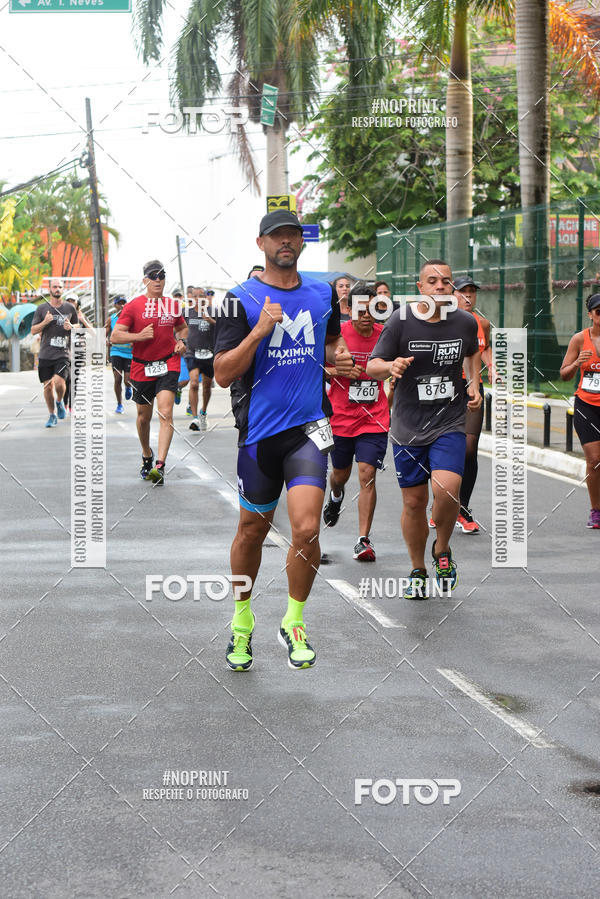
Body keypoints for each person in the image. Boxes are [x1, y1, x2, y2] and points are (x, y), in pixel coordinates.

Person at [214, 210, 353, 671]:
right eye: (278, 236)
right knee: (251, 531)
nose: (286, 242)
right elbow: (221, 373)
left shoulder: (321, 293)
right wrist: (258, 332)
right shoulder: (240, 300)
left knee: (308, 529)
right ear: (261, 244)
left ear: (302, 243)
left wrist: (340, 355)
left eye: (293, 235)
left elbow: (330, 345)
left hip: (309, 428)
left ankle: (294, 620)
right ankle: (241, 620)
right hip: (258, 435)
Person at [367, 259, 481, 598]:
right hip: (408, 427)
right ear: (421, 288)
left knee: (447, 488)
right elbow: (373, 366)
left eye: (446, 282)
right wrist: (391, 365)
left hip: (449, 419)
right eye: (432, 281)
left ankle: (442, 550)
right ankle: (417, 568)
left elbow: (472, 354)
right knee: (414, 503)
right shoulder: (400, 321)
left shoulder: (463, 322)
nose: (440, 287)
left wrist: (473, 384)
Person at [322, 282, 390, 561]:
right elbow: (319, 368)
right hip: (341, 418)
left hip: (374, 419)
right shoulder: (340, 335)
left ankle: (363, 540)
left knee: (367, 474)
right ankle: (335, 496)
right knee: (340, 475)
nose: (365, 314)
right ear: (349, 308)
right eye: (360, 308)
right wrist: (340, 370)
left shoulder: (384, 336)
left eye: (371, 308)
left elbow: (391, 367)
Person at [111, 260, 188, 485]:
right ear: (144, 280)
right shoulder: (133, 306)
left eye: (161, 275)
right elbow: (115, 336)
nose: (157, 279)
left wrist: (182, 340)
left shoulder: (172, 305)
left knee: (166, 414)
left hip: (168, 364)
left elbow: (182, 327)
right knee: (144, 418)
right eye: (153, 276)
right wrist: (138, 336)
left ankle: (160, 466)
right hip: (141, 367)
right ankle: (147, 454)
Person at [429, 276, 493, 534]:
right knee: (438, 447)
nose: (468, 296)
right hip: (444, 390)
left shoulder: (483, 324)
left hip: (471, 388)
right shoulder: (442, 321)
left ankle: (463, 509)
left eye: (472, 292)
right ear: (453, 295)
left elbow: (482, 350)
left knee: (469, 449)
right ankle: (440, 506)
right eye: (463, 292)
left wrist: (494, 368)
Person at [560, 293, 600, 528]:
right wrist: (577, 363)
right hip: (587, 406)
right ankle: (596, 510)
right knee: (595, 460)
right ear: (590, 314)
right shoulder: (579, 339)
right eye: (598, 311)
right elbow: (564, 374)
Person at [30, 278, 78, 428]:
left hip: (63, 353)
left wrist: (71, 326)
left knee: (59, 382)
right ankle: (52, 414)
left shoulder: (70, 308)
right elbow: (33, 330)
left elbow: (78, 325)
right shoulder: (42, 309)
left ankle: (60, 402)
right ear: (50, 289)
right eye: (55, 286)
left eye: (60, 287)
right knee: (47, 387)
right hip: (45, 354)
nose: (57, 289)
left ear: (63, 289)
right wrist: (45, 322)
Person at [185, 287, 216, 431]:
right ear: (193, 298)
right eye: (196, 296)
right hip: (192, 353)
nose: (199, 299)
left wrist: (211, 321)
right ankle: (195, 417)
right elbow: (178, 329)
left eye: (202, 296)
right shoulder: (187, 313)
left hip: (209, 353)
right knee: (194, 383)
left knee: (207, 387)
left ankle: (203, 412)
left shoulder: (214, 312)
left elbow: (224, 329)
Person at [106, 296, 133, 414]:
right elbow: (103, 333)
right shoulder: (111, 319)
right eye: (119, 303)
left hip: (129, 353)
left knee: (127, 380)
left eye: (124, 303)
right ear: (115, 305)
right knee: (117, 378)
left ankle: (128, 386)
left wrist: (134, 340)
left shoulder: (132, 318)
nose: (122, 306)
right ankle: (119, 404)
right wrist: (105, 341)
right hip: (116, 351)